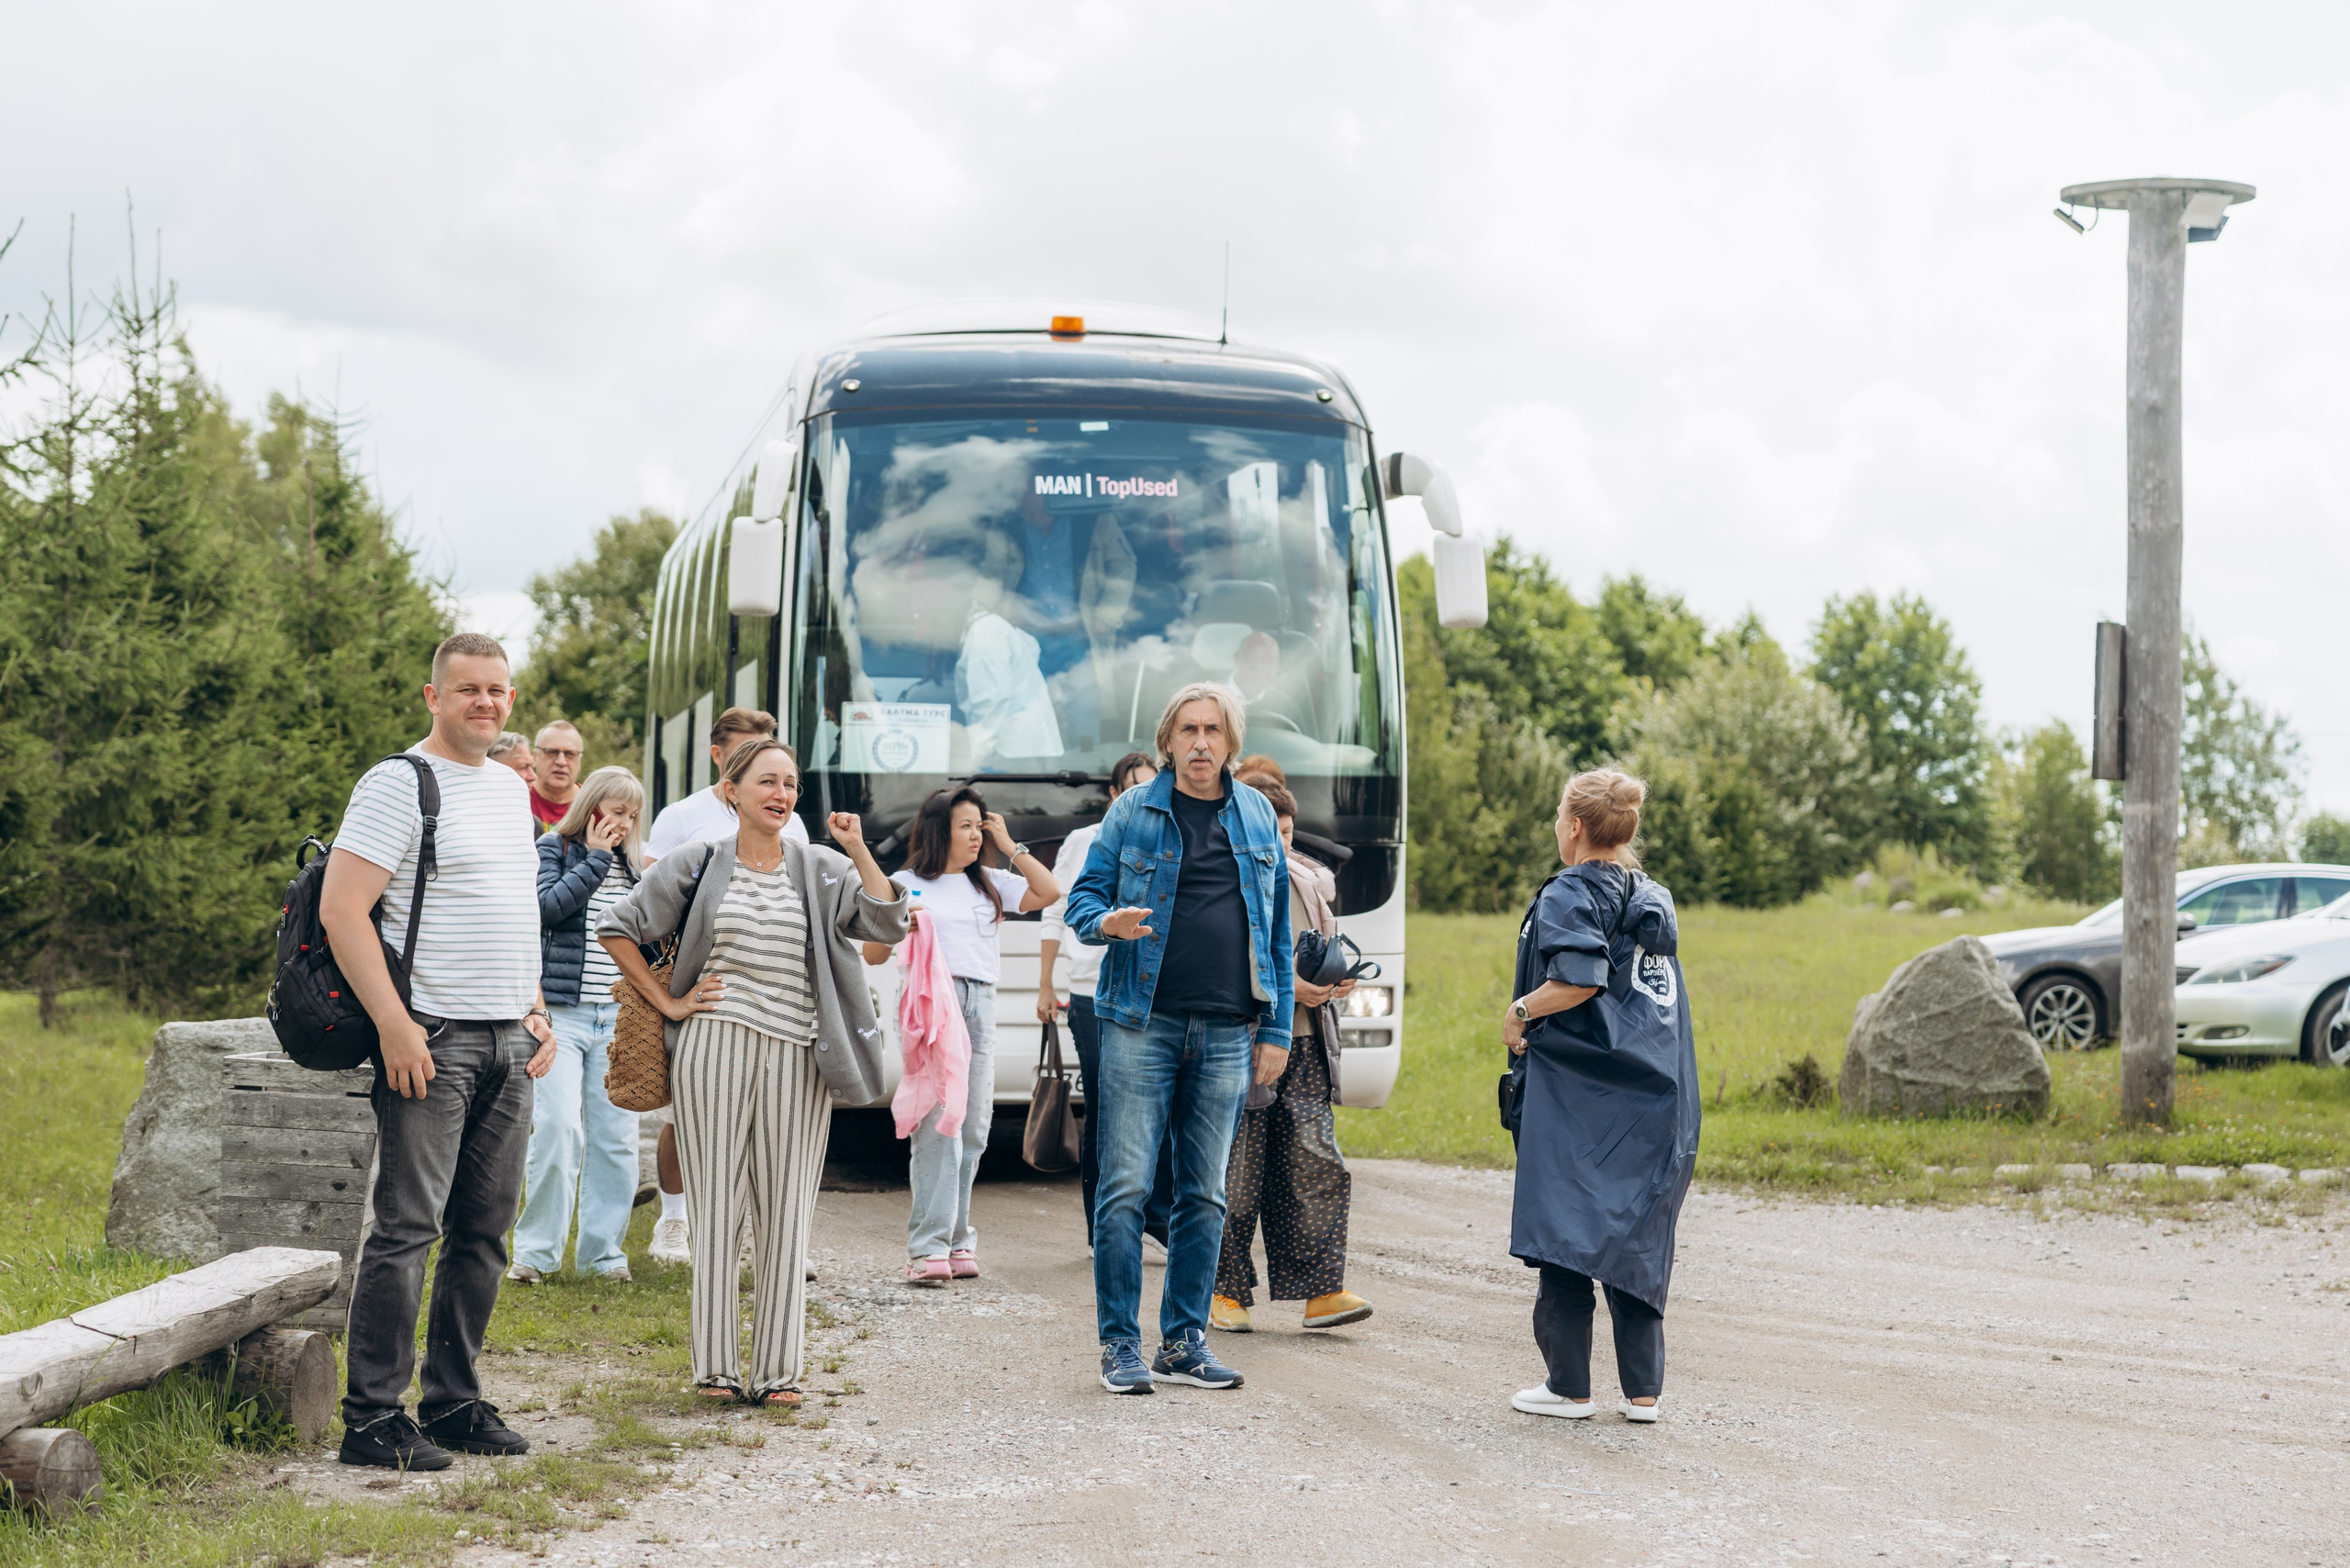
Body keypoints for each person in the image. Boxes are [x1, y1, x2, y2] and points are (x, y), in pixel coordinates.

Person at [597, 738, 910, 1406]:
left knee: (786, 1208)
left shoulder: (821, 865)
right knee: (717, 1206)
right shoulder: (699, 860)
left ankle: (777, 1373)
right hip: (712, 1044)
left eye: (791, 784)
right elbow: (620, 926)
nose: (782, 794)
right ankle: (715, 1367)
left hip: (799, 1053)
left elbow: (887, 922)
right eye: (767, 781)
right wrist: (668, 1001)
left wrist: (857, 847)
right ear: (732, 790)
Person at [319, 633, 558, 1472]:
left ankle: (452, 1402)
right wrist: (394, 1025)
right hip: (432, 1039)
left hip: (507, 1042)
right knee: (407, 1229)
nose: (484, 703)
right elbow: (343, 911)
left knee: (485, 1233)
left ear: (511, 700)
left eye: (497, 690)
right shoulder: (398, 784)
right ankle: (372, 1419)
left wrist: (534, 1006)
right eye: (467, 690)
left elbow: (513, 905)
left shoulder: (507, 788)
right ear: (433, 697)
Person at [1066, 681, 1292, 1395]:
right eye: (1189, 730)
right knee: (1126, 1188)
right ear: (1168, 740)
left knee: (1204, 1193)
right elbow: (1081, 900)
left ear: (1231, 742)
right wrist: (1108, 924)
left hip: (1228, 1029)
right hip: (1141, 1022)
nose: (1201, 743)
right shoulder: (1133, 811)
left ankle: (1185, 1341)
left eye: (1214, 730)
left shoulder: (1257, 813)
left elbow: (1279, 932)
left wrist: (1278, 1026)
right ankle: (1120, 1346)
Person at [1504, 769, 1697, 1425]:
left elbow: (1579, 979)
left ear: (1576, 826)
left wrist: (1521, 1012)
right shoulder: (1652, 899)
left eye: (1560, 817)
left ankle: (1569, 1387)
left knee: (1566, 1226)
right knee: (1634, 1233)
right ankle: (1643, 1392)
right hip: (1656, 1094)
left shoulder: (1570, 893)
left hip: (1582, 1097)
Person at [865, 786, 1058, 1284]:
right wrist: (899, 927)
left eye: (979, 825)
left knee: (973, 1126)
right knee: (937, 1125)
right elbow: (872, 955)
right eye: (966, 826)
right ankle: (926, 1247)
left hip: (981, 1004)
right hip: (932, 1007)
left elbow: (1048, 892)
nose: (976, 835)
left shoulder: (991, 881)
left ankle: (956, 1239)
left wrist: (1011, 843)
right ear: (938, 830)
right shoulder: (904, 882)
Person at [641, 707, 805, 1267]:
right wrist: (668, 998)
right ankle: (675, 1221)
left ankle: (765, 1239)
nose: (776, 781)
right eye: (751, 756)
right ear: (723, 763)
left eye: (780, 766)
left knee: (774, 1133)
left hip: (781, 1004)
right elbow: (642, 916)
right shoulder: (682, 819)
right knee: (683, 1123)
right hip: (708, 999)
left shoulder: (793, 822)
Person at [1211, 778, 1373, 1334]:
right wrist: (1286, 990)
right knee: (1237, 1173)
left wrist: (1333, 979)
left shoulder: (1304, 882)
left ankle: (1322, 1291)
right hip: (1238, 1044)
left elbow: (1315, 949)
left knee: (1316, 1164)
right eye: (1269, 835)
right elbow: (1210, 964)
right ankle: (1223, 1293)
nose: (1280, 847)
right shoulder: (1220, 880)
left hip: (1305, 1043)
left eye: (1285, 834)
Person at [510, 766, 646, 1286]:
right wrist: (593, 859)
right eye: (616, 812)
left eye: (632, 816)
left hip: (617, 1019)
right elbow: (544, 910)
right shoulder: (554, 849)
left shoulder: (634, 868)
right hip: (561, 1018)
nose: (624, 824)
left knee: (615, 1138)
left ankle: (603, 1255)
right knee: (559, 1129)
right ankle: (536, 1254)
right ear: (591, 809)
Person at [1037, 752, 1174, 1251]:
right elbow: (1058, 911)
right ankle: (1103, 1227)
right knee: (1106, 1106)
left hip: (1151, 991)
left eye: (1151, 785)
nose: (1145, 796)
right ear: (1116, 794)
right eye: (1133, 786)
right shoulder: (1084, 840)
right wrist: (1044, 984)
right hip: (1091, 993)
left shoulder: (1170, 837)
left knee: (1157, 1109)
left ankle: (1156, 1220)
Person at [957, 530, 1064, 766]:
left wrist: (968, 761)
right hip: (1025, 758)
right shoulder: (993, 627)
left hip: (1013, 763)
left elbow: (991, 710)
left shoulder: (985, 632)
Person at [530, 721, 585, 829]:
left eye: (570, 754)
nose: (561, 762)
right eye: (552, 752)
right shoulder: (518, 799)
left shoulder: (592, 805)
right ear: (535, 757)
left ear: (579, 761)